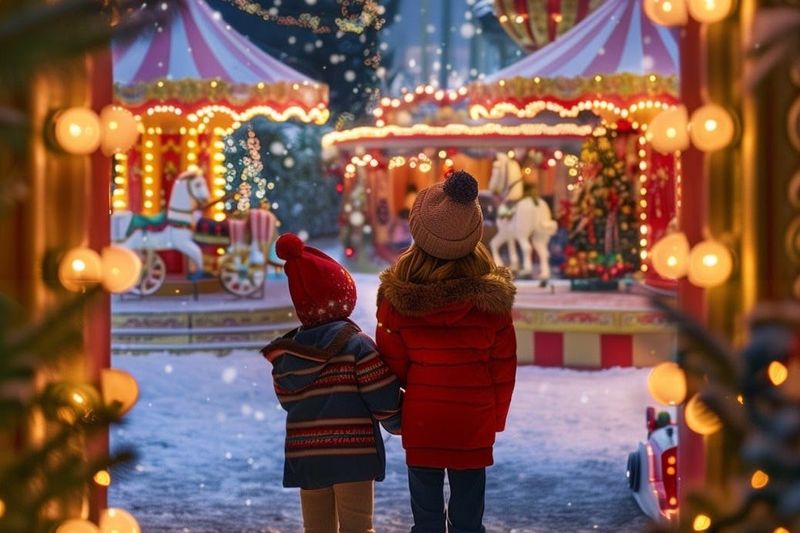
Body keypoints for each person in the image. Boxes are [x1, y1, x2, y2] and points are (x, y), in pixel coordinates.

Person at [375, 169, 518, 533]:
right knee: (469, 520)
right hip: (474, 422)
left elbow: (393, 366)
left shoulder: (397, 300)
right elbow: (504, 368)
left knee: (426, 520)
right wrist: (494, 418)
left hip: (423, 421)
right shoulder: (493, 303)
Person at [261, 233, 402, 533]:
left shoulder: (288, 355)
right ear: (343, 299)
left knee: (316, 529)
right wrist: (398, 421)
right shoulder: (356, 346)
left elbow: (288, 398)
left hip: (307, 458)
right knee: (357, 527)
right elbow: (381, 394)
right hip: (353, 456)